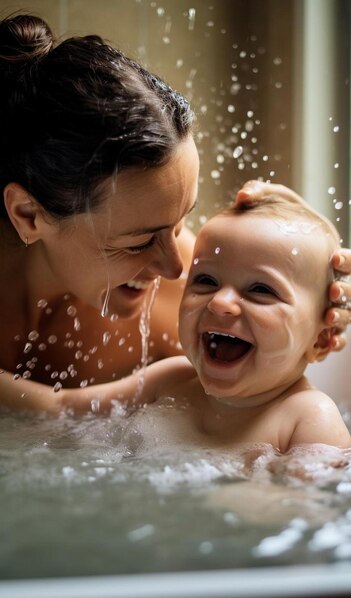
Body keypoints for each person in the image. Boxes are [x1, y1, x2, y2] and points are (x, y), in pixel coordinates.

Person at [0, 13, 350, 398]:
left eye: (181, 221)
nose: (175, 267)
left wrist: (316, 265)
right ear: (28, 215)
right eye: (138, 242)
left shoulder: (194, 302)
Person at [3, 190, 351, 453]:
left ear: (320, 341)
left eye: (261, 290)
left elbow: (316, 515)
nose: (221, 302)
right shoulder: (169, 379)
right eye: (205, 281)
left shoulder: (308, 420)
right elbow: (60, 409)